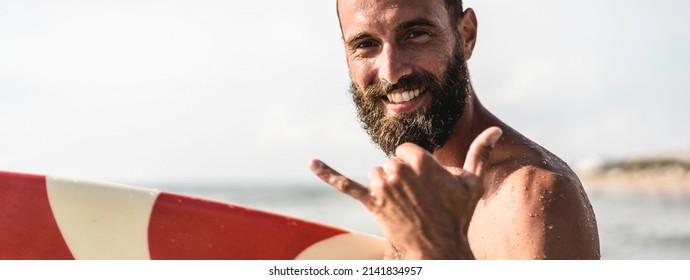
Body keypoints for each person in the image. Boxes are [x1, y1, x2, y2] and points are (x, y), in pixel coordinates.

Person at [309, 0, 600, 259]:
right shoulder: (415, 184)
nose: (391, 71)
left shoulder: (530, 195)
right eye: (365, 44)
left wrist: (440, 251)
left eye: (416, 34)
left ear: (465, 36)